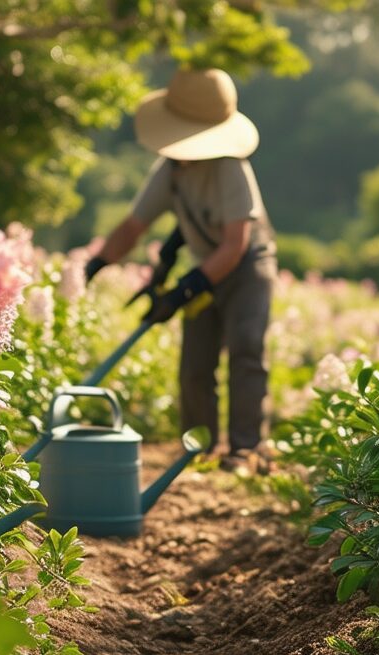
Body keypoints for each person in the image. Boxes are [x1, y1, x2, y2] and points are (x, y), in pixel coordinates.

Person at [85, 68, 276, 473]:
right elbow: (134, 226)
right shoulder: (170, 169)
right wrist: (98, 262)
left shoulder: (230, 168)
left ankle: (245, 449)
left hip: (245, 267)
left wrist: (183, 291)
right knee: (194, 363)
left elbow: (234, 244)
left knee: (246, 351)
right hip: (205, 265)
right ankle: (198, 447)